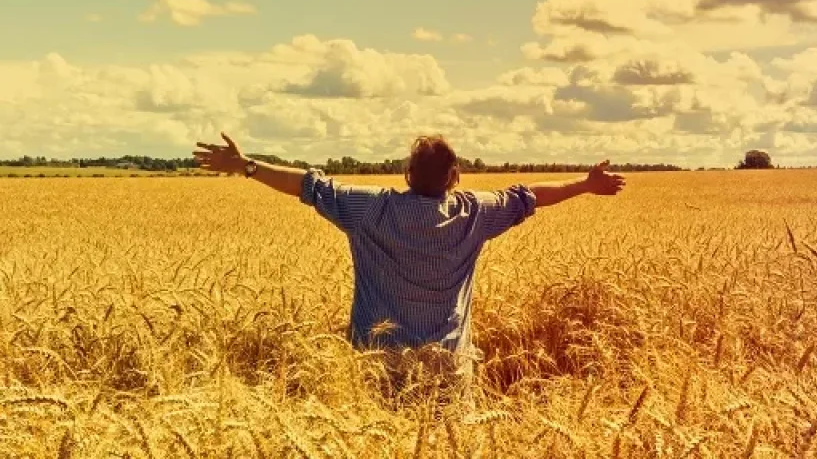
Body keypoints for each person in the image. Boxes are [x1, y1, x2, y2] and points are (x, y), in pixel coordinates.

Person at [193, 132, 626, 402]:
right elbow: (528, 196)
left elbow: (307, 186)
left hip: (378, 367)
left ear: (407, 174)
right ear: (455, 175)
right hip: (449, 369)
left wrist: (247, 165)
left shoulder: (370, 209)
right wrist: (586, 185)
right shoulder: (475, 213)